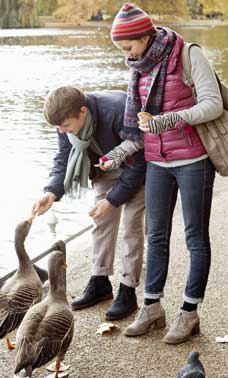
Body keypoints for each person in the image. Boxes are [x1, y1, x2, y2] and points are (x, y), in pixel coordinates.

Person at [106, 3, 223, 344]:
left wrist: (169, 120)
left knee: (194, 238)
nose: (125, 54)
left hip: (193, 160)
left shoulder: (188, 54)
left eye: (127, 46)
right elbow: (141, 128)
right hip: (157, 161)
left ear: (144, 35)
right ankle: (152, 307)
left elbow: (212, 104)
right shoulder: (139, 68)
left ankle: (189, 313)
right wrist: (118, 153)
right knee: (155, 236)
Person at [32, 86, 146, 321]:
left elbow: (139, 162)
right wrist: (51, 192)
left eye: (66, 126)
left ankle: (128, 290)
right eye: (58, 128)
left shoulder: (117, 111)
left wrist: (112, 200)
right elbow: (64, 157)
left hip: (137, 168)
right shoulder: (64, 121)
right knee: (100, 221)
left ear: (83, 111)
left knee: (130, 227)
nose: (63, 132)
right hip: (103, 168)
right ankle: (100, 282)